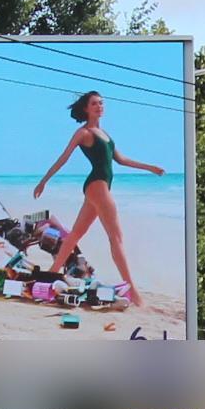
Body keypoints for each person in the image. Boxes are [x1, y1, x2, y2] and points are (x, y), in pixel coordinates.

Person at [32, 90, 169, 306]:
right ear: (86, 108)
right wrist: (44, 181)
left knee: (75, 234)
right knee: (116, 238)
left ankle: (51, 275)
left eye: (101, 103)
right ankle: (132, 290)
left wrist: (149, 168)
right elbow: (64, 157)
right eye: (95, 103)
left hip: (98, 187)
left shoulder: (104, 133)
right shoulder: (84, 132)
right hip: (98, 186)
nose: (99, 106)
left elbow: (121, 160)